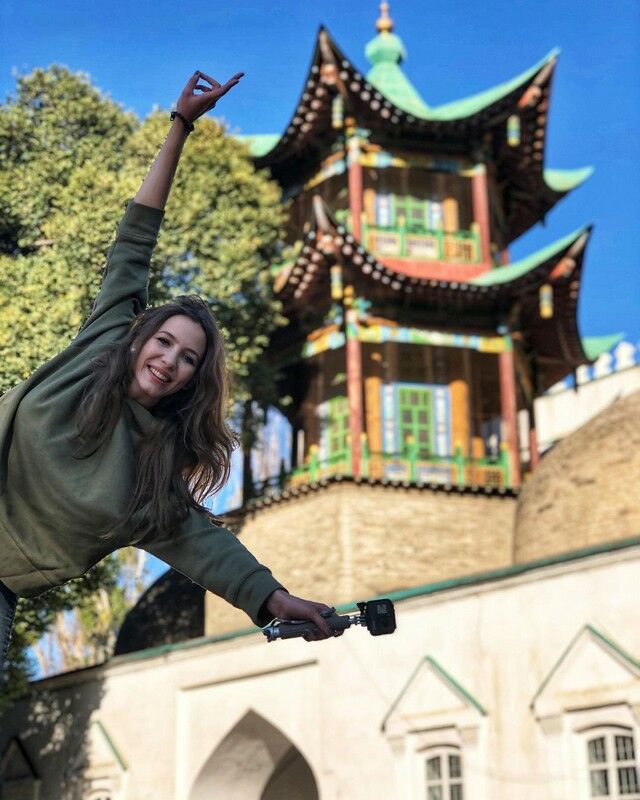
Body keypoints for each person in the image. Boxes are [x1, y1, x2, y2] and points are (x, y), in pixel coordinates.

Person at [0, 69, 338, 681]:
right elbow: (136, 238)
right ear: (138, 340)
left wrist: (273, 599)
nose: (170, 360)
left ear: (191, 381)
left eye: (188, 359)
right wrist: (180, 125)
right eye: (165, 342)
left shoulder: (151, 472)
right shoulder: (101, 344)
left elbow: (203, 546)